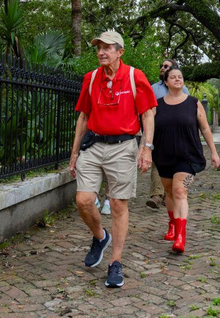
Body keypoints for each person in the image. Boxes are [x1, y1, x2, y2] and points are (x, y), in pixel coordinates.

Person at [69, 30, 157, 288]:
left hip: (123, 146)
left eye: (107, 48)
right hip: (94, 145)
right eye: (99, 48)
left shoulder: (134, 76)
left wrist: (146, 148)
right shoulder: (91, 78)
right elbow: (83, 117)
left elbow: (148, 115)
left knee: (118, 204)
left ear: (120, 52)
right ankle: (100, 237)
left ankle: (115, 262)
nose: (101, 52)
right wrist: (74, 153)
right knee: (83, 200)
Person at [153, 66, 220, 253]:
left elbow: (205, 128)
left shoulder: (193, 103)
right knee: (169, 192)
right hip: (164, 155)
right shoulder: (157, 105)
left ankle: (180, 237)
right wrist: (145, 150)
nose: (177, 79)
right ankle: (173, 225)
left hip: (188, 155)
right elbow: (148, 129)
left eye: (180, 77)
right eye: (173, 77)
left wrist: (214, 152)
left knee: (180, 191)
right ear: (166, 82)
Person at [147, 58, 189, 209]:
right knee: (157, 163)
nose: (162, 68)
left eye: (166, 66)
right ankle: (156, 195)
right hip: (158, 131)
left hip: (177, 134)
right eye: (161, 66)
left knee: (174, 163)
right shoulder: (153, 88)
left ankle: (169, 194)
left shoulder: (183, 89)